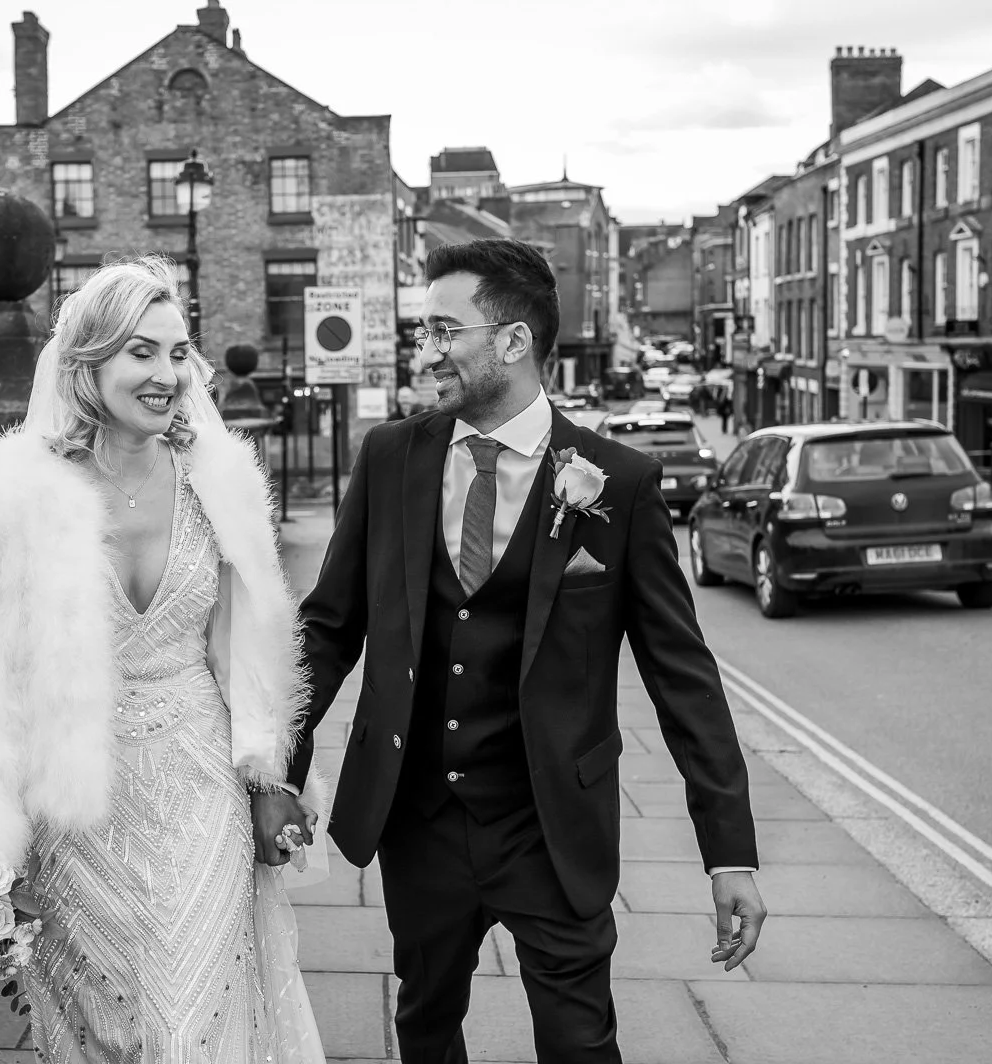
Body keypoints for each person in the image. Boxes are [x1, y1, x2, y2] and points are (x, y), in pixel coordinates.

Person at [254, 239, 764, 1063]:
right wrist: (278, 770)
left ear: (514, 342)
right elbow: (329, 630)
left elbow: (683, 676)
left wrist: (729, 852)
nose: (428, 352)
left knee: (579, 1043)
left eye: (445, 330)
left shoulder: (618, 482)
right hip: (417, 817)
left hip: (551, 825)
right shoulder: (391, 457)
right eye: (426, 332)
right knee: (424, 1023)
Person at [0, 257, 327, 1063]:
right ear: (88, 361)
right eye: (142, 352)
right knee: (104, 1031)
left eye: (176, 352)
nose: (168, 374)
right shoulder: (5, 492)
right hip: (77, 808)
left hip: (200, 778)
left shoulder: (221, 479)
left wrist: (270, 781)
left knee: (193, 1020)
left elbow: (250, 655)